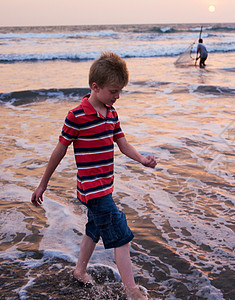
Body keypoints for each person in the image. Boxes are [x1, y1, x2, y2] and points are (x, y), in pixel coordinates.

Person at [31, 52, 156, 300]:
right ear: (95, 87)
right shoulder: (76, 116)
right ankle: (131, 290)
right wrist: (42, 184)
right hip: (92, 189)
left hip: (105, 185)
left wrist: (141, 158)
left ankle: (79, 270)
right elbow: (59, 150)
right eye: (113, 91)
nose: (117, 96)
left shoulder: (111, 114)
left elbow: (122, 144)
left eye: (120, 91)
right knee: (121, 234)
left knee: (94, 228)